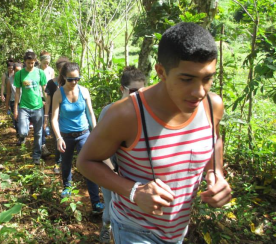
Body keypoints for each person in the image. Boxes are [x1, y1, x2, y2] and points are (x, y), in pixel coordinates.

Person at [77, 22, 232, 244]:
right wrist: (134, 191)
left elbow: (214, 139)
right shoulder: (128, 114)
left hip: (178, 232)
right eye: (187, 79)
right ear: (161, 72)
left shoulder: (212, 105)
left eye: (207, 78)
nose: (199, 91)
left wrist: (215, 175)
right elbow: (85, 162)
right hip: (135, 231)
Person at [97, 66, 146, 243]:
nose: (138, 95)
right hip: (112, 168)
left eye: (142, 91)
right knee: (111, 206)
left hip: (134, 173)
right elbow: (98, 149)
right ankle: (106, 227)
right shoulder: (109, 111)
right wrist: (111, 172)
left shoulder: (145, 112)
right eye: (133, 91)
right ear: (122, 89)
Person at [51, 62, 104, 215]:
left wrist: (95, 132)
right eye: (70, 80)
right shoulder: (58, 93)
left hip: (83, 134)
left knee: (88, 166)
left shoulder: (84, 91)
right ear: (64, 78)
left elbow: (90, 113)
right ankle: (67, 187)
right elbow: (54, 118)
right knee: (66, 163)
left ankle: (95, 202)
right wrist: (58, 138)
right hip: (66, 135)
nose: (74, 82)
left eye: (77, 79)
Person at [14, 51, 47, 165]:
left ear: (35, 62)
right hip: (24, 107)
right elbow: (17, 92)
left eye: (32, 63)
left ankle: (36, 156)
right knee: (23, 131)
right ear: (25, 62)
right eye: (28, 63)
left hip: (38, 107)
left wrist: (47, 102)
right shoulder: (20, 74)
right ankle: (22, 137)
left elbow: (44, 89)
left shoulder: (40, 73)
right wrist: (15, 109)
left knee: (38, 134)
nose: (30, 65)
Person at [44, 56, 69, 174]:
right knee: (58, 139)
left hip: (67, 117)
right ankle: (58, 162)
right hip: (54, 116)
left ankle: (66, 162)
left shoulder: (71, 83)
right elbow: (48, 101)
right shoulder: (51, 83)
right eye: (61, 69)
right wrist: (45, 117)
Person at [6, 62, 23, 136]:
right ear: (14, 70)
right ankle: (19, 135)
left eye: (20, 70)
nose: (18, 72)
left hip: (24, 101)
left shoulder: (25, 78)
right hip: (14, 102)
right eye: (16, 70)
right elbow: (8, 93)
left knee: (23, 119)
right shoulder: (10, 80)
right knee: (16, 119)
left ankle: (23, 133)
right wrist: (7, 104)